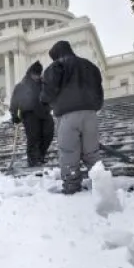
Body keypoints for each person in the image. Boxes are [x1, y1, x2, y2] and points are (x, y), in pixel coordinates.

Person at [40, 40, 104, 195]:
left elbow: (48, 92)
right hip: (90, 114)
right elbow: (99, 90)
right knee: (92, 152)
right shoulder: (90, 66)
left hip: (68, 116)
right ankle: (102, 182)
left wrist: (44, 100)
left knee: (68, 152)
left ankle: (72, 185)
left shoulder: (56, 67)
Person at [9, 61, 55, 167]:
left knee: (48, 133)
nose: (37, 76)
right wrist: (15, 115)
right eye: (35, 74)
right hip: (29, 114)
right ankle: (33, 159)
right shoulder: (21, 86)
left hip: (44, 113)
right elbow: (14, 102)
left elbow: (50, 96)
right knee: (33, 137)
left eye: (39, 74)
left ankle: (40, 155)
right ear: (30, 73)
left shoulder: (43, 84)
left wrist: (51, 106)